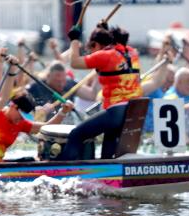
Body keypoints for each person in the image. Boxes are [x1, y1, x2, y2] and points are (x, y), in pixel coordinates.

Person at [61, 25, 143, 160]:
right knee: (109, 139)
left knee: (76, 134)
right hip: (134, 111)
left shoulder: (106, 55)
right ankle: (107, 171)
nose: (92, 52)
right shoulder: (132, 53)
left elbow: (75, 63)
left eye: (92, 48)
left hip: (116, 111)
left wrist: (74, 40)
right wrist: (104, 30)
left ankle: (65, 172)